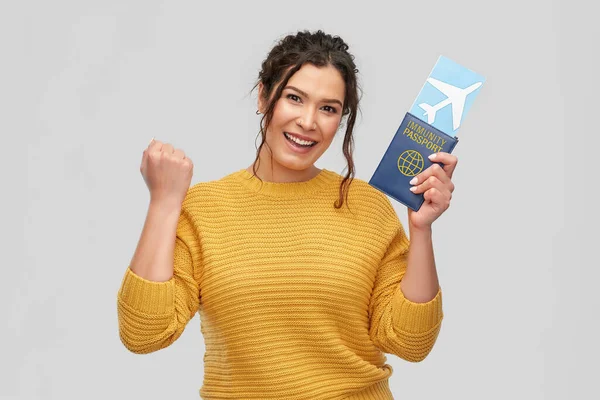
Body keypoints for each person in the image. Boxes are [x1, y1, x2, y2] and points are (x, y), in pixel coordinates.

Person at [117, 29, 458, 400]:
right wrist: (164, 204)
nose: (308, 122)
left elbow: (410, 343)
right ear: (263, 97)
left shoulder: (367, 206)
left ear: (340, 119)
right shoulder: (204, 208)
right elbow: (143, 334)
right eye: (294, 98)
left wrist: (421, 230)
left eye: (328, 108)